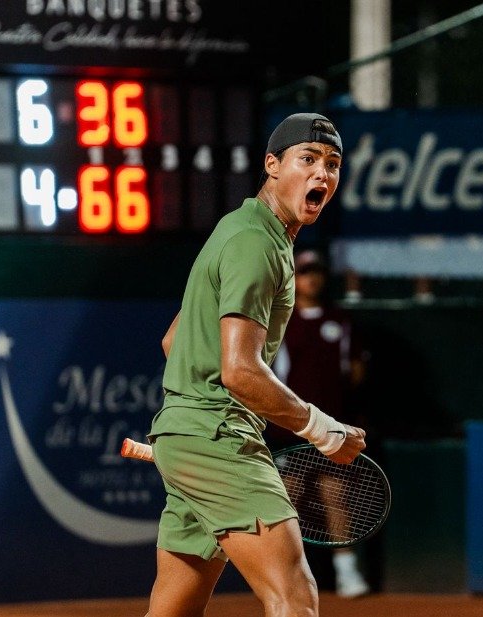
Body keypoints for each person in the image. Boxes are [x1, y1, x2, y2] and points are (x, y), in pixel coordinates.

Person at [144, 112, 367, 617]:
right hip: (220, 436)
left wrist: (186, 433)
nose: (322, 174)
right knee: (295, 596)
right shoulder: (256, 243)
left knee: (173, 608)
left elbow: (173, 341)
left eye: (332, 164)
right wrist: (323, 429)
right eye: (307, 159)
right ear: (272, 165)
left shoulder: (242, 230)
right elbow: (240, 371)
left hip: (187, 433)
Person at [267, 249, 371, 598]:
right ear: (293, 277)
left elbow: (355, 372)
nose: (312, 278)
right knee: (287, 502)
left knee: (336, 497)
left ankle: (347, 573)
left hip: (332, 430)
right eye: (304, 271)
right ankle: (283, 577)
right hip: (289, 432)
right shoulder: (279, 322)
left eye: (317, 272)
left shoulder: (340, 322)